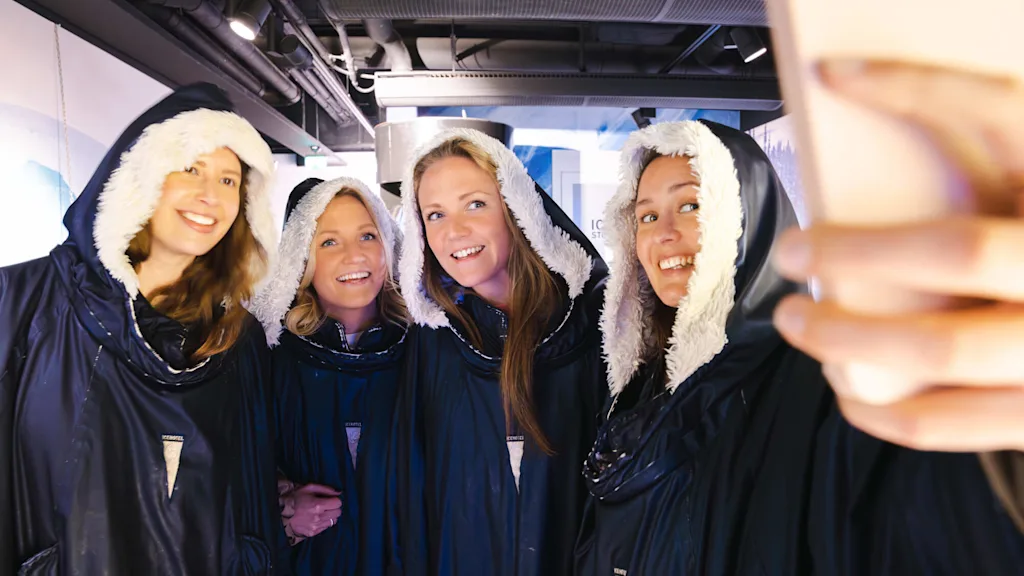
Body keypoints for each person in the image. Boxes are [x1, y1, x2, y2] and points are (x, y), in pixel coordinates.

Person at [574, 118, 1024, 575]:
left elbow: (916, 519)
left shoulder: (810, 384)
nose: (663, 233)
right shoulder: (637, 388)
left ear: (743, 219)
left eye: (690, 205)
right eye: (647, 216)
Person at [0, 83, 281, 575]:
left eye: (228, 180)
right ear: (141, 174)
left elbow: (248, 495)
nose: (209, 196)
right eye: (190, 169)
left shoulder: (236, 337)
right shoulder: (25, 302)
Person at [389, 129, 607, 575]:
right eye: (435, 214)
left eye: (475, 204)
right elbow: (412, 496)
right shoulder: (432, 344)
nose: (455, 231)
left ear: (515, 207)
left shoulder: (592, 329)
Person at [247, 176, 407, 576]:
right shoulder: (271, 359)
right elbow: (233, 472)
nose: (354, 256)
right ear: (302, 259)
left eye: (367, 236)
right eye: (330, 242)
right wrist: (284, 513)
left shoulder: (423, 353)